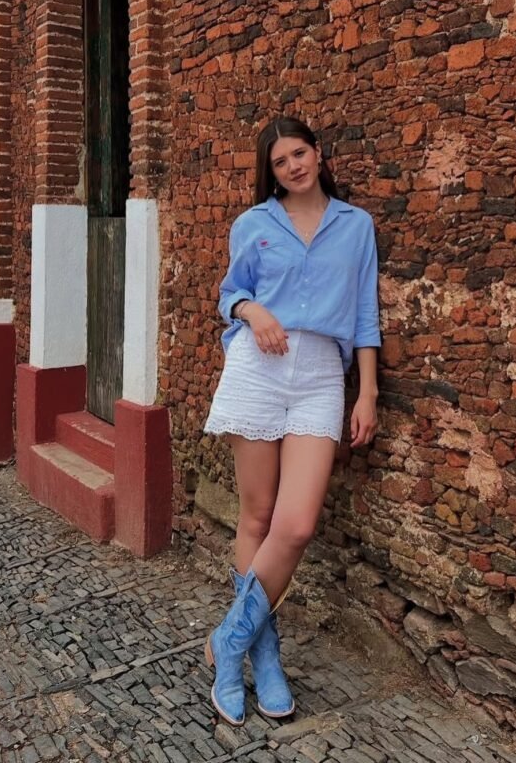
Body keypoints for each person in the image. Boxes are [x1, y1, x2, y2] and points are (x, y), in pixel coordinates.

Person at [203, 116, 381, 726]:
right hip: (258, 367)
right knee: (256, 515)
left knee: (297, 524)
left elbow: (363, 314)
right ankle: (264, 654)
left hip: (320, 378)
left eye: (299, 154)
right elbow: (229, 294)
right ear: (271, 171)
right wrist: (253, 311)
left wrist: (368, 392)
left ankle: (230, 639)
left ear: (319, 153)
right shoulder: (253, 224)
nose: (293, 167)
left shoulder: (356, 227)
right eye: (280, 162)